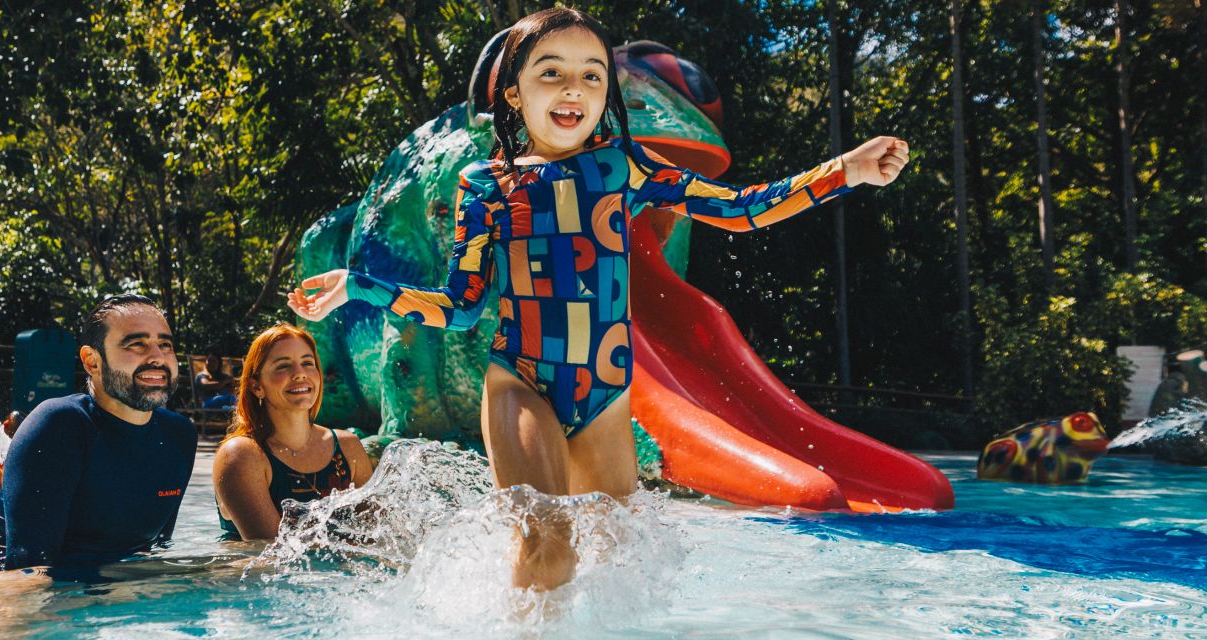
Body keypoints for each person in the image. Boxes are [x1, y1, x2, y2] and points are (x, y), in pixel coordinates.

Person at [289, 7, 910, 591]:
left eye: (591, 76)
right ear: (514, 93)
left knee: (619, 564)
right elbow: (462, 307)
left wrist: (845, 171)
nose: (573, 89)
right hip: (523, 382)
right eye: (550, 72)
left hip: (607, 397)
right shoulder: (486, 184)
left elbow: (741, 210)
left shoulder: (624, 166)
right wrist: (358, 284)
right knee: (548, 547)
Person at [0, 294, 196, 577]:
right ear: (92, 361)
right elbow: (27, 572)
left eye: (165, 345)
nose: (157, 357)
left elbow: (153, 550)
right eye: (136, 344)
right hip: (0, 582)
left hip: (112, 584)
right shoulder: (59, 426)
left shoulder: (179, 435)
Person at [212, 324, 374, 541]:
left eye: (308, 363)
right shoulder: (242, 455)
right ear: (256, 386)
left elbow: (375, 537)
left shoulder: (347, 447)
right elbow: (271, 557)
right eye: (283, 366)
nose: (299, 374)